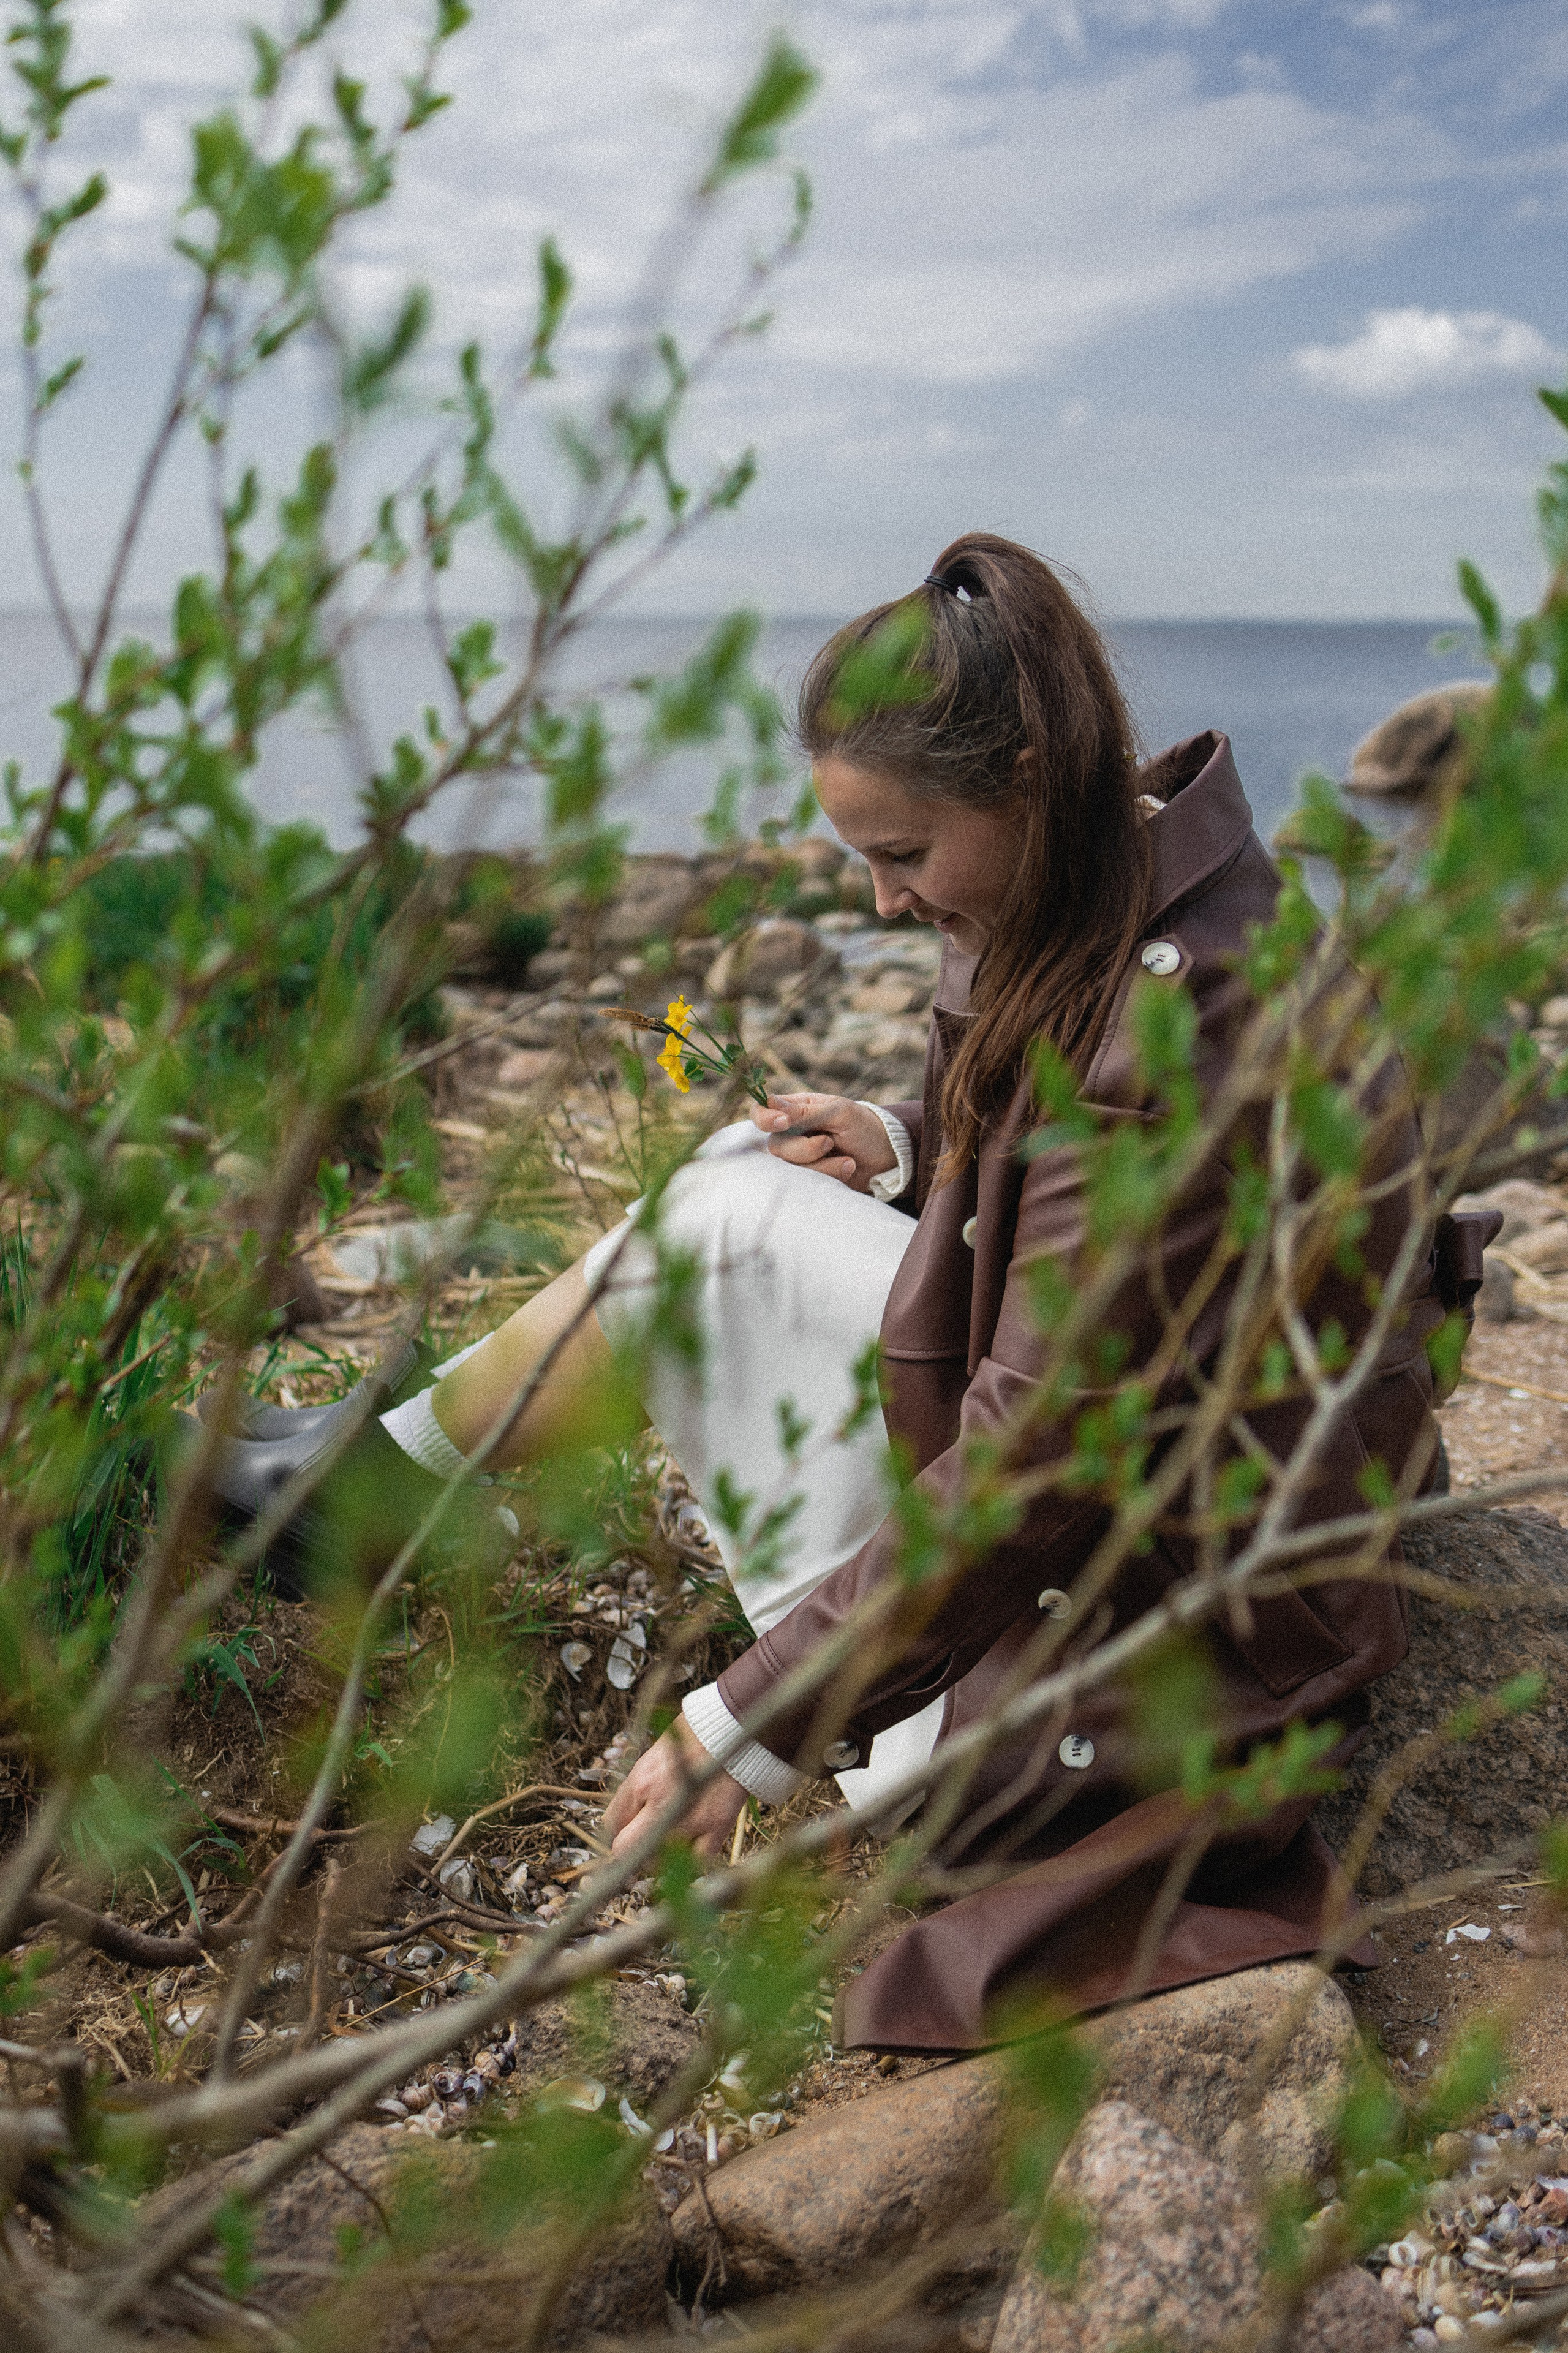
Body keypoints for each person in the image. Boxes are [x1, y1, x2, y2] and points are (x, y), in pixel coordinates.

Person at [205, 533, 1479, 2055]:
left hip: (1160, 1651)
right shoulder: (1096, 875)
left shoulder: (1174, 1023)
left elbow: (1040, 1462)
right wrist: (900, 1144)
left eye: (901, 855)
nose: (880, 904)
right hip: (1165, 1496)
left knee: (731, 1226)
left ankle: (383, 1484)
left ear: (1020, 771)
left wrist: (740, 1728)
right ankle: (390, 1467)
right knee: (745, 1176)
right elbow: (1067, 1203)